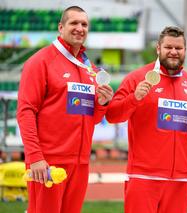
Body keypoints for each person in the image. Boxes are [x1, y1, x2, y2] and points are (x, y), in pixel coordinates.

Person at [105, 26, 187, 213]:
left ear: (185, 50)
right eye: (168, 47)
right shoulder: (137, 78)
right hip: (144, 177)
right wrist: (134, 98)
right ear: (158, 48)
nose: (174, 52)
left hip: (180, 180)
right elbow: (112, 115)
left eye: (179, 48)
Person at [17, 6, 113, 213]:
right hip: (48, 162)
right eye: (74, 23)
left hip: (80, 163)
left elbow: (92, 118)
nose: (80, 28)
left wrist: (102, 104)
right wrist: (35, 158)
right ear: (61, 27)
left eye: (84, 24)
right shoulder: (40, 61)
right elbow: (25, 112)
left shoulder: (90, 70)